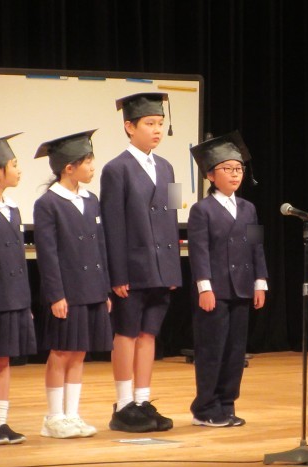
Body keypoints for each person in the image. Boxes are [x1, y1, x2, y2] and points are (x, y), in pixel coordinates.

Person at [100, 92, 182, 432]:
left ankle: (142, 399)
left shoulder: (168, 167)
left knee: (149, 334)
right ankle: (123, 405)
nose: (157, 130)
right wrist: (117, 274)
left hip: (162, 267)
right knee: (127, 333)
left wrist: (174, 267)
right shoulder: (115, 169)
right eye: (150, 123)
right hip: (132, 268)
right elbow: (113, 224)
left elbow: (173, 215)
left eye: (160, 123)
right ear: (129, 127)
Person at [33, 130, 113, 438]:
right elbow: (48, 254)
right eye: (88, 162)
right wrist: (56, 295)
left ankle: (72, 414)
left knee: (79, 352)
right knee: (61, 352)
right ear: (69, 168)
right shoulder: (48, 203)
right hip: (67, 291)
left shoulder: (91, 200)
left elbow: (101, 247)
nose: (93, 167)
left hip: (92, 288)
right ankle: (53, 417)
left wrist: (104, 289)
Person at [188, 131, 267, 427]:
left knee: (235, 351)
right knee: (212, 350)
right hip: (216, 290)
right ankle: (205, 407)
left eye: (239, 169)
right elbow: (199, 252)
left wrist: (260, 282)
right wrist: (204, 287)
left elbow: (257, 246)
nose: (235, 174)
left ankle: (227, 404)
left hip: (242, 288)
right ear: (211, 175)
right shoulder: (202, 210)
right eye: (227, 169)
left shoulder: (249, 209)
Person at [0, 134, 36, 445]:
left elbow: (18, 259)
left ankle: (1, 421)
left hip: (13, 296)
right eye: (14, 165)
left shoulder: (13, 209)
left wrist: (25, 301)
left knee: (3, 359)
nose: (19, 170)